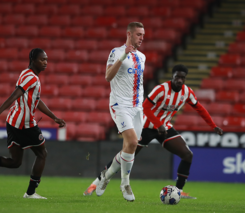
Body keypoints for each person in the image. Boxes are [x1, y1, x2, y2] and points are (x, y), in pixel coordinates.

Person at [84, 64, 223, 199]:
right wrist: (158, 124)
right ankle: (96, 183)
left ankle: (178, 191)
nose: (179, 80)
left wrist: (213, 125)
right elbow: (145, 107)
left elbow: (200, 108)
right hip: (145, 127)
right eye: (177, 77)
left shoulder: (186, 92)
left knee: (187, 155)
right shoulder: (161, 89)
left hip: (165, 128)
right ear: (172, 77)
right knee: (125, 156)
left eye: (182, 78)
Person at [0, 48, 66, 199]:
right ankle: (30, 193)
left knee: (15, 162)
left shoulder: (26, 74)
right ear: (33, 60)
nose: (45, 62)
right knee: (42, 153)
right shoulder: (31, 77)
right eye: (42, 60)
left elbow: (36, 100)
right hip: (24, 124)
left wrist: (54, 117)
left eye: (46, 59)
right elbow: (15, 94)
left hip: (13, 122)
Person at [83, 22, 145, 202]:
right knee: (132, 142)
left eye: (143, 35)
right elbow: (108, 76)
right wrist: (125, 54)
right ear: (129, 34)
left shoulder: (142, 57)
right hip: (120, 105)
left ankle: (105, 177)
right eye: (139, 34)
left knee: (130, 147)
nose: (142, 38)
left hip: (137, 108)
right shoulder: (116, 52)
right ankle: (125, 183)